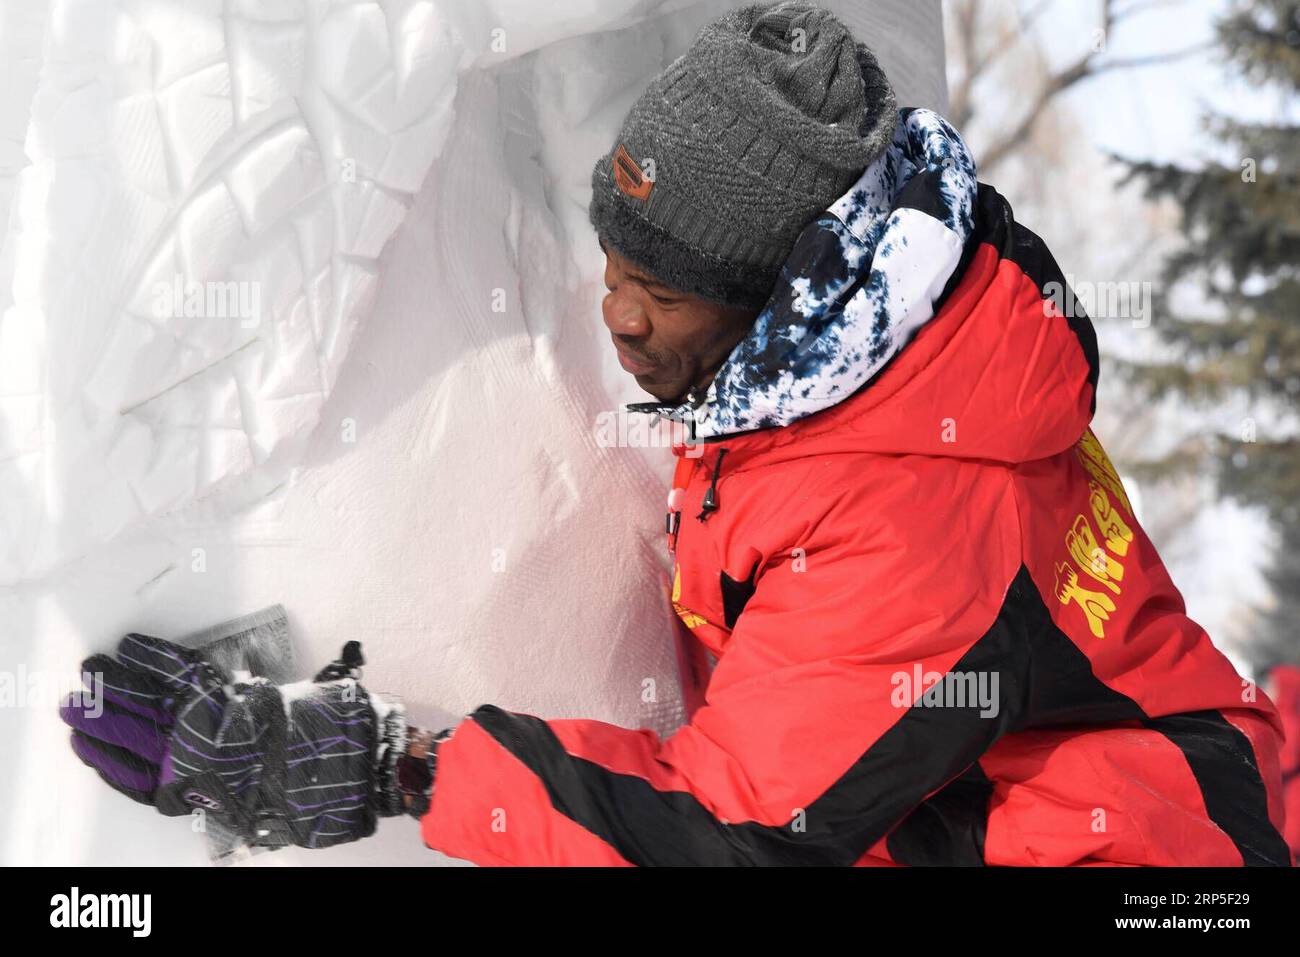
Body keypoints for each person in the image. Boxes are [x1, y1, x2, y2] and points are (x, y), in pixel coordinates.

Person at [61, 1, 1290, 866]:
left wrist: (382, 768)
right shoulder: (846, 366)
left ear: (788, 291)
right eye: (613, 263)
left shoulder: (913, 516)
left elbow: (736, 835)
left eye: (664, 291)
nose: (618, 318)